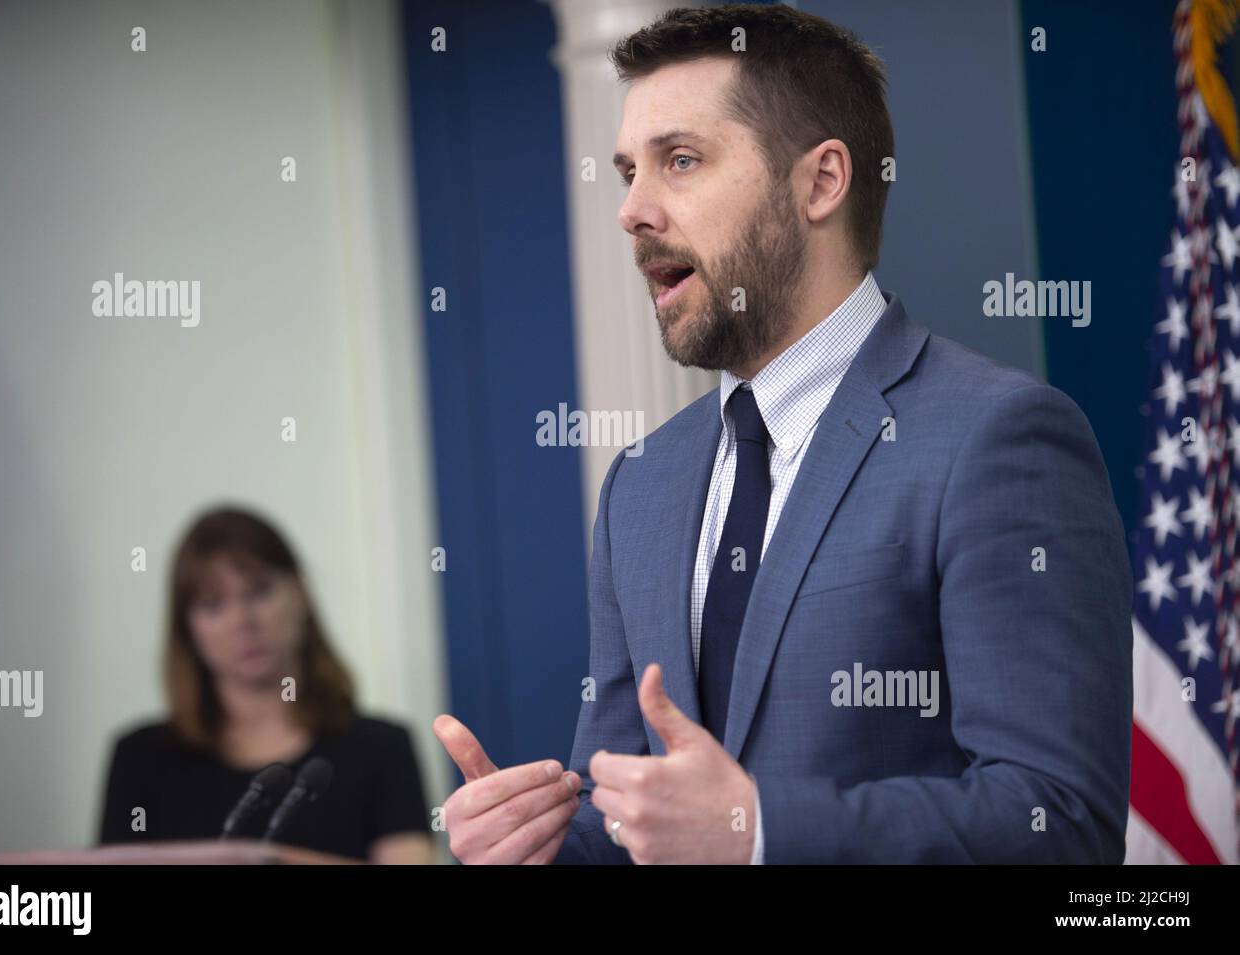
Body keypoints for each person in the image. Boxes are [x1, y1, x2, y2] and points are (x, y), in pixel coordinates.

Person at [433, 4, 1132, 864]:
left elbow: (1058, 821)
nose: (632, 210)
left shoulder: (999, 439)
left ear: (822, 182)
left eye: (679, 160)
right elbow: (624, 811)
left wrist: (757, 829)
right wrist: (538, 844)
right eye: (626, 172)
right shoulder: (640, 484)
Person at [99, 506, 434, 863]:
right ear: (188, 629)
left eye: (259, 591)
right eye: (214, 605)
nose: (243, 621)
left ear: (301, 593)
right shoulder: (141, 758)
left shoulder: (382, 748)